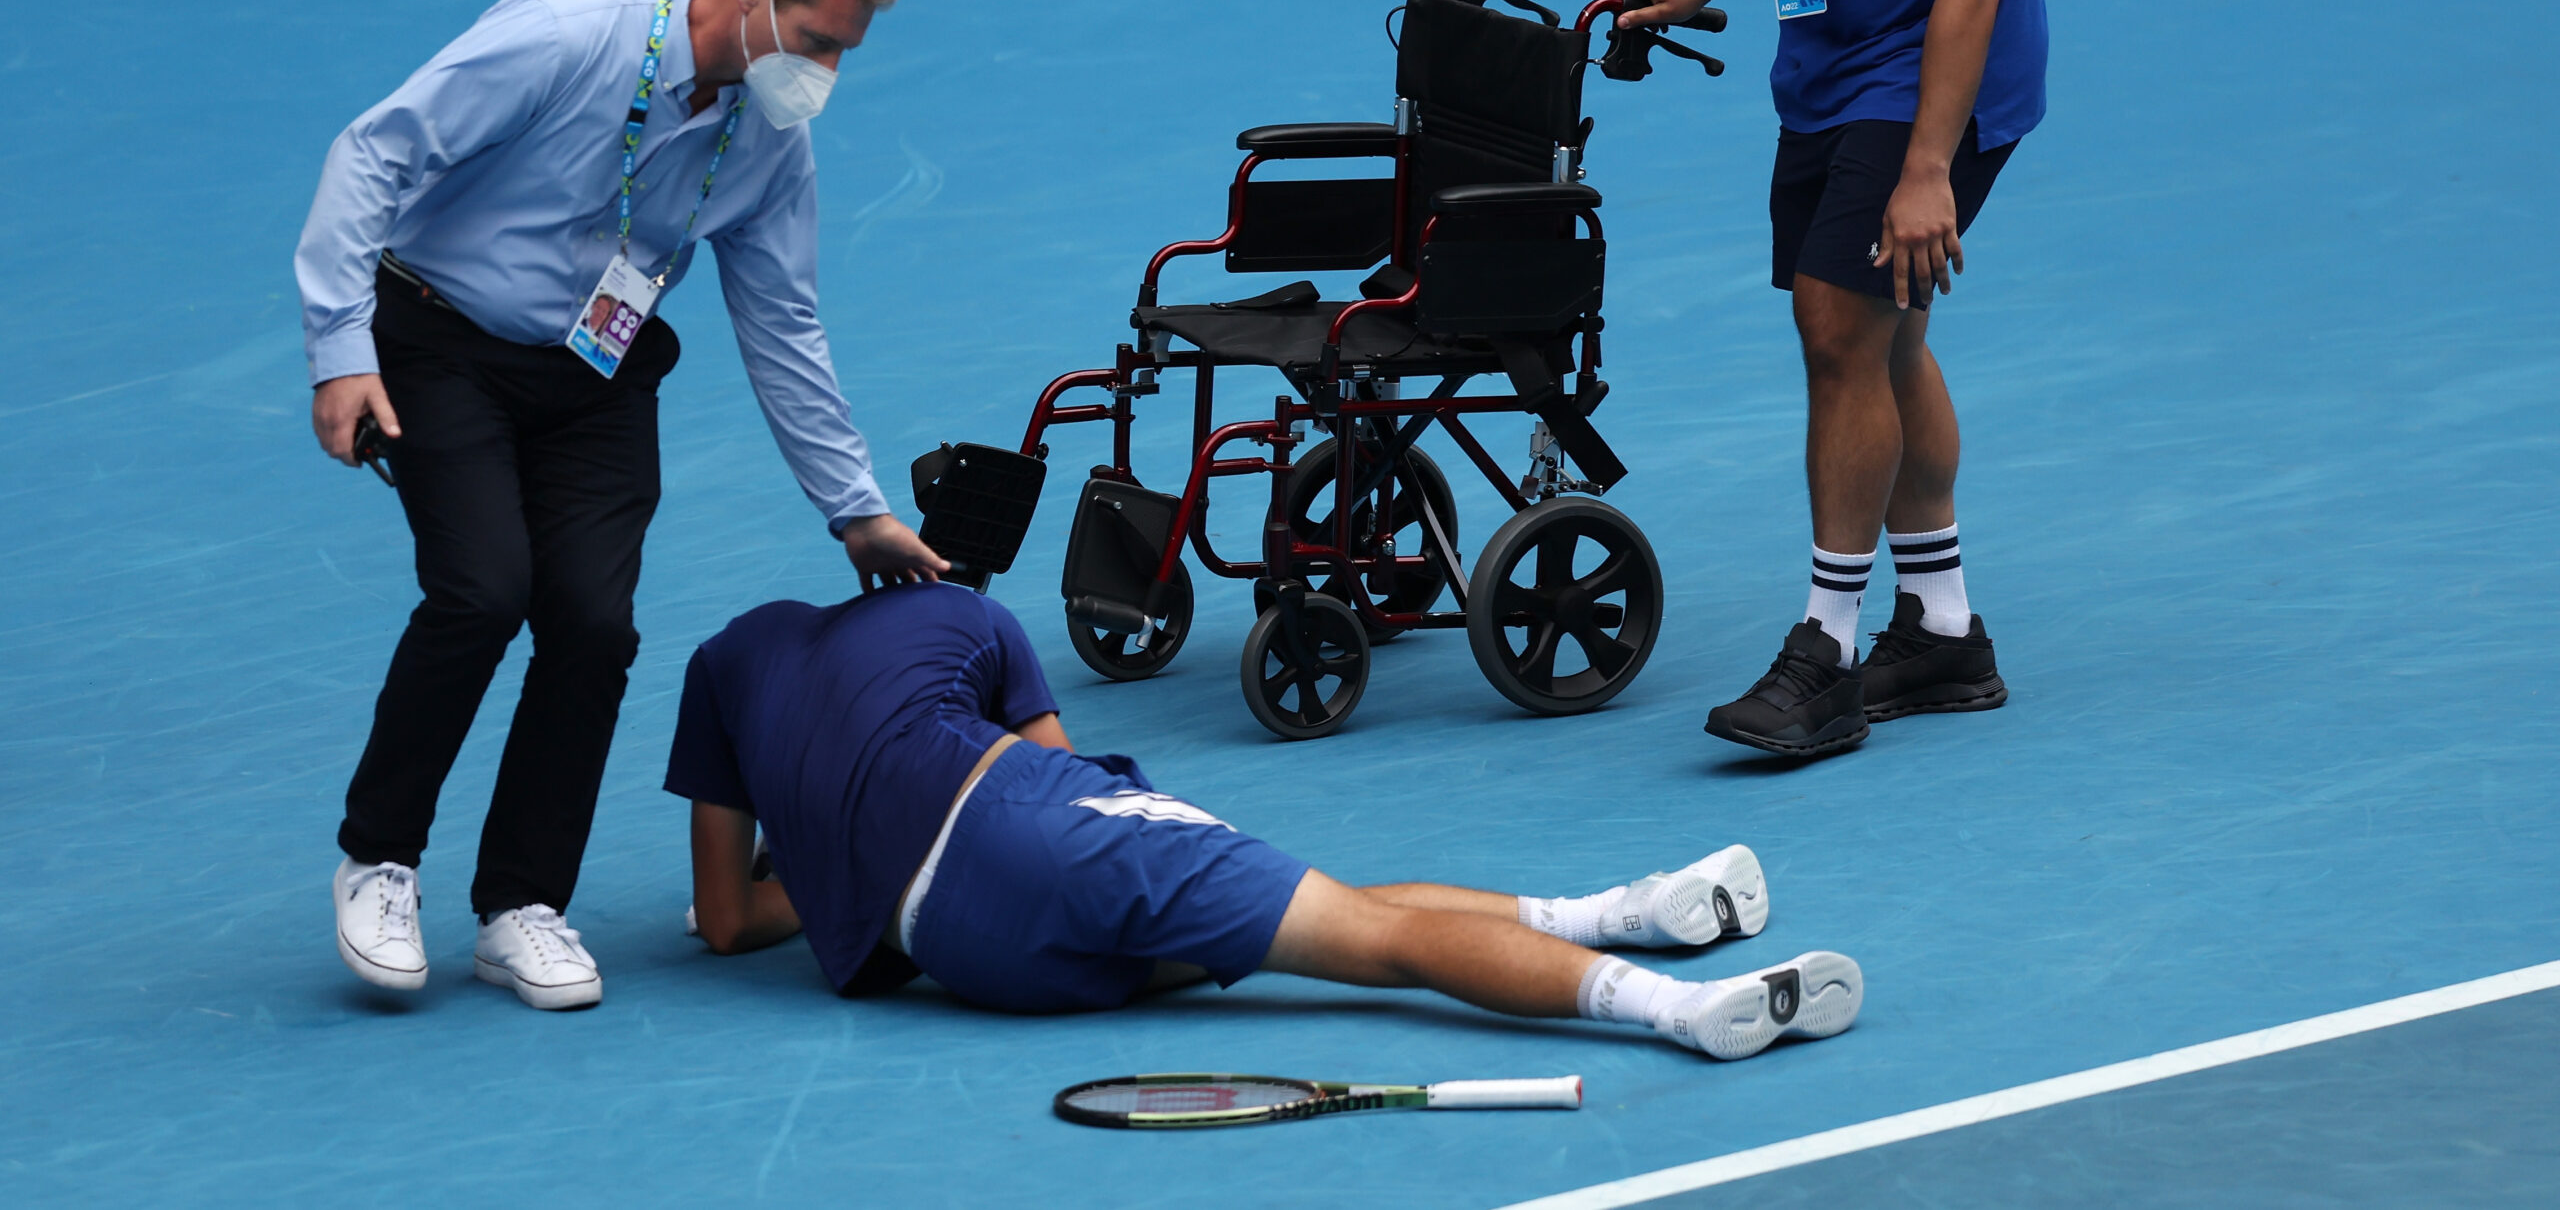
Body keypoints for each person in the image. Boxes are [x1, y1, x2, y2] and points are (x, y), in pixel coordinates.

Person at [299, 0, 951, 1010]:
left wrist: (855, 507)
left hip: (595, 379)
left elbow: (782, 322)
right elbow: (374, 153)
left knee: (594, 627)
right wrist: (339, 348)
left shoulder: (767, 136)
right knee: (481, 589)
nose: (827, 74)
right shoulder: (566, 34)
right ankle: (380, 858)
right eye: (818, 42)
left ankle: (521, 905)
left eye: (847, 52)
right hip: (441, 342)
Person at [665, 584, 1864, 1061]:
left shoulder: (722, 669)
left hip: (971, 958)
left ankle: (1621, 912)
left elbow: (723, 922)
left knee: (1315, 920)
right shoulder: (966, 618)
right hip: (1028, 830)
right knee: (1360, 933)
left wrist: (821, 875)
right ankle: (1677, 1007)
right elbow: (1061, 785)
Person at [1610, 0, 2044, 760]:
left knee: (1836, 327)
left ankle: (1828, 651)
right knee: (1887, 335)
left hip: (1927, 80)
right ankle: (1946, 633)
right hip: (1829, 57)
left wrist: (1924, 171)